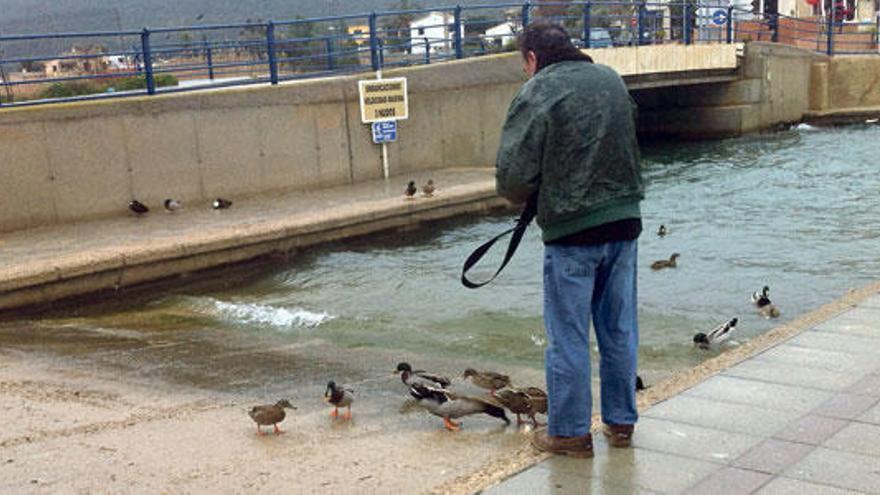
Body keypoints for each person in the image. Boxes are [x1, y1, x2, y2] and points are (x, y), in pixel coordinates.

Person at [495, 23, 644, 458]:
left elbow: (513, 177)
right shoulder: (611, 80)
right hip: (624, 222)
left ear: (532, 59)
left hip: (571, 232)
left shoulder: (538, 90)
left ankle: (570, 433)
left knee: (569, 336)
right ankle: (621, 423)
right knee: (619, 330)